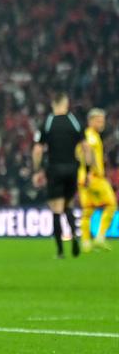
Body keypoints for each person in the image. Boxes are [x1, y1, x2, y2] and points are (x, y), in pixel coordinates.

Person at [32, 93, 83, 258]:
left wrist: (37, 170)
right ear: (66, 103)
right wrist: (87, 169)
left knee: (56, 209)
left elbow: (38, 149)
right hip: (72, 168)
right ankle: (75, 235)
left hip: (54, 169)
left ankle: (60, 251)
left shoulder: (48, 122)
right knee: (68, 205)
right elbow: (86, 147)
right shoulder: (74, 122)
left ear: (54, 104)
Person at [77, 108, 115, 252]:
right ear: (91, 121)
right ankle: (100, 237)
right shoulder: (92, 136)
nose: (102, 123)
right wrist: (91, 171)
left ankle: (86, 243)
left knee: (87, 211)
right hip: (93, 177)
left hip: (82, 178)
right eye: (99, 121)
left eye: (103, 120)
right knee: (111, 205)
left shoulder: (84, 136)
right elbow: (89, 153)